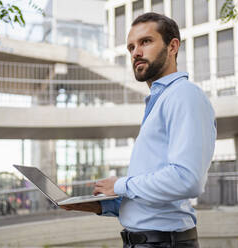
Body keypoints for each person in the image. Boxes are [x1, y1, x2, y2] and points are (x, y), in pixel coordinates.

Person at [61, 12, 216, 248]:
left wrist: (120, 185)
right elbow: (157, 196)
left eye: (145, 42)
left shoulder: (184, 95)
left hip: (164, 243)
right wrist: (104, 205)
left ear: (173, 46)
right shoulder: (160, 100)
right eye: (131, 47)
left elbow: (187, 180)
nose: (136, 53)